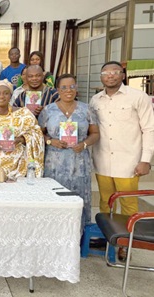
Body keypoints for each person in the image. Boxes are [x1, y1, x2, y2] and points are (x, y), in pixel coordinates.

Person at [90, 61, 154, 261]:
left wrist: (146, 159)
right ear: (101, 76)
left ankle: (127, 242)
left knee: (128, 203)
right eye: (106, 73)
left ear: (122, 75)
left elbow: (149, 129)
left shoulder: (138, 97)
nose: (110, 76)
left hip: (128, 161)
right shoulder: (95, 100)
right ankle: (107, 236)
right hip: (102, 160)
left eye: (115, 72)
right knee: (105, 202)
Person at [38, 74, 100, 230]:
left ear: (76, 88)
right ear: (57, 90)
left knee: (78, 198)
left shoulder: (86, 109)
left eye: (72, 86)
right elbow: (38, 133)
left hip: (78, 162)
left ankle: (78, 234)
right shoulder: (48, 110)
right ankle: (53, 232)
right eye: (64, 87)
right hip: (54, 163)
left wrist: (84, 143)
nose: (68, 90)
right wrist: (51, 141)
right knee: (54, 197)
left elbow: (95, 134)